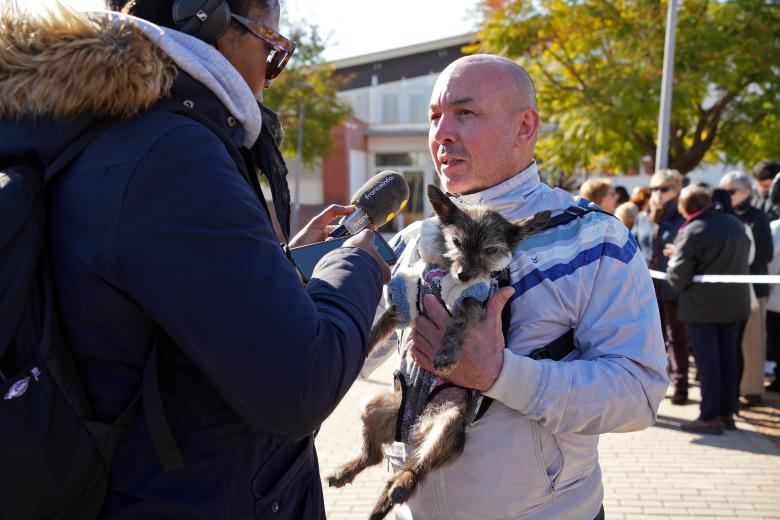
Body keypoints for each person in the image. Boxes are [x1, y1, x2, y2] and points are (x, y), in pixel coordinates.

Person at [0, 1, 390, 518]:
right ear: (206, 19)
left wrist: (280, 264)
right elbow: (299, 384)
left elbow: (150, 306)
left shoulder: (95, 132)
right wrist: (355, 264)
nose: (269, 80)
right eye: (272, 51)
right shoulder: (169, 153)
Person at [365, 54, 668, 520]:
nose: (441, 133)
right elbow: (346, 360)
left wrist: (498, 374)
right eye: (434, 116)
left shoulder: (596, 238)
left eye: (465, 113)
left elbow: (639, 394)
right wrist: (316, 282)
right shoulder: (411, 240)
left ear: (525, 127)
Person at [667, 185, 751, 434]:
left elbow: (679, 276)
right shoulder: (734, 223)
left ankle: (709, 415)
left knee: (708, 363)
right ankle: (727, 412)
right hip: (734, 303)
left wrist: (674, 258)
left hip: (702, 307)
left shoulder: (693, 230)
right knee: (728, 359)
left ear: (685, 207)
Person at [633, 170, 690, 404]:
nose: (657, 194)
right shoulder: (643, 216)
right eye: (653, 188)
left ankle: (680, 385)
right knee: (649, 337)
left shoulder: (683, 217)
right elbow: (634, 244)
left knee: (676, 336)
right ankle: (650, 384)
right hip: (646, 287)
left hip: (674, 287)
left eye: (664, 189)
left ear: (676, 191)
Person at [719, 171, 773, 406]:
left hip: (752, 285)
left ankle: (752, 389)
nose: (727, 196)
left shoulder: (757, 217)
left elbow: (765, 253)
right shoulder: (722, 215)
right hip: (727, 288)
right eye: (724, 191)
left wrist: (740, 257)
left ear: (746, 192)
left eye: (731, 191)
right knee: (731, 344)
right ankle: (731, 390)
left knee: (752, 342)